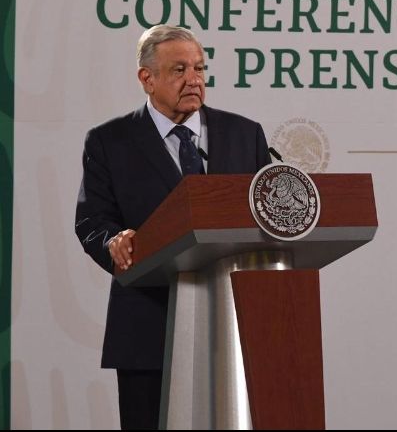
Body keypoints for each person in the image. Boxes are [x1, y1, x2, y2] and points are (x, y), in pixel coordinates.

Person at [75, 24, 271, 429]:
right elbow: (93, 219)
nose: (194, 80)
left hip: (234, 325)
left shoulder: (245, 134)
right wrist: (113, 241)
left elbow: (266, 210)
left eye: (200, 68)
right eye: (179, 70)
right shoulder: (109, 141)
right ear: (146, 78)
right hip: (148, 325)